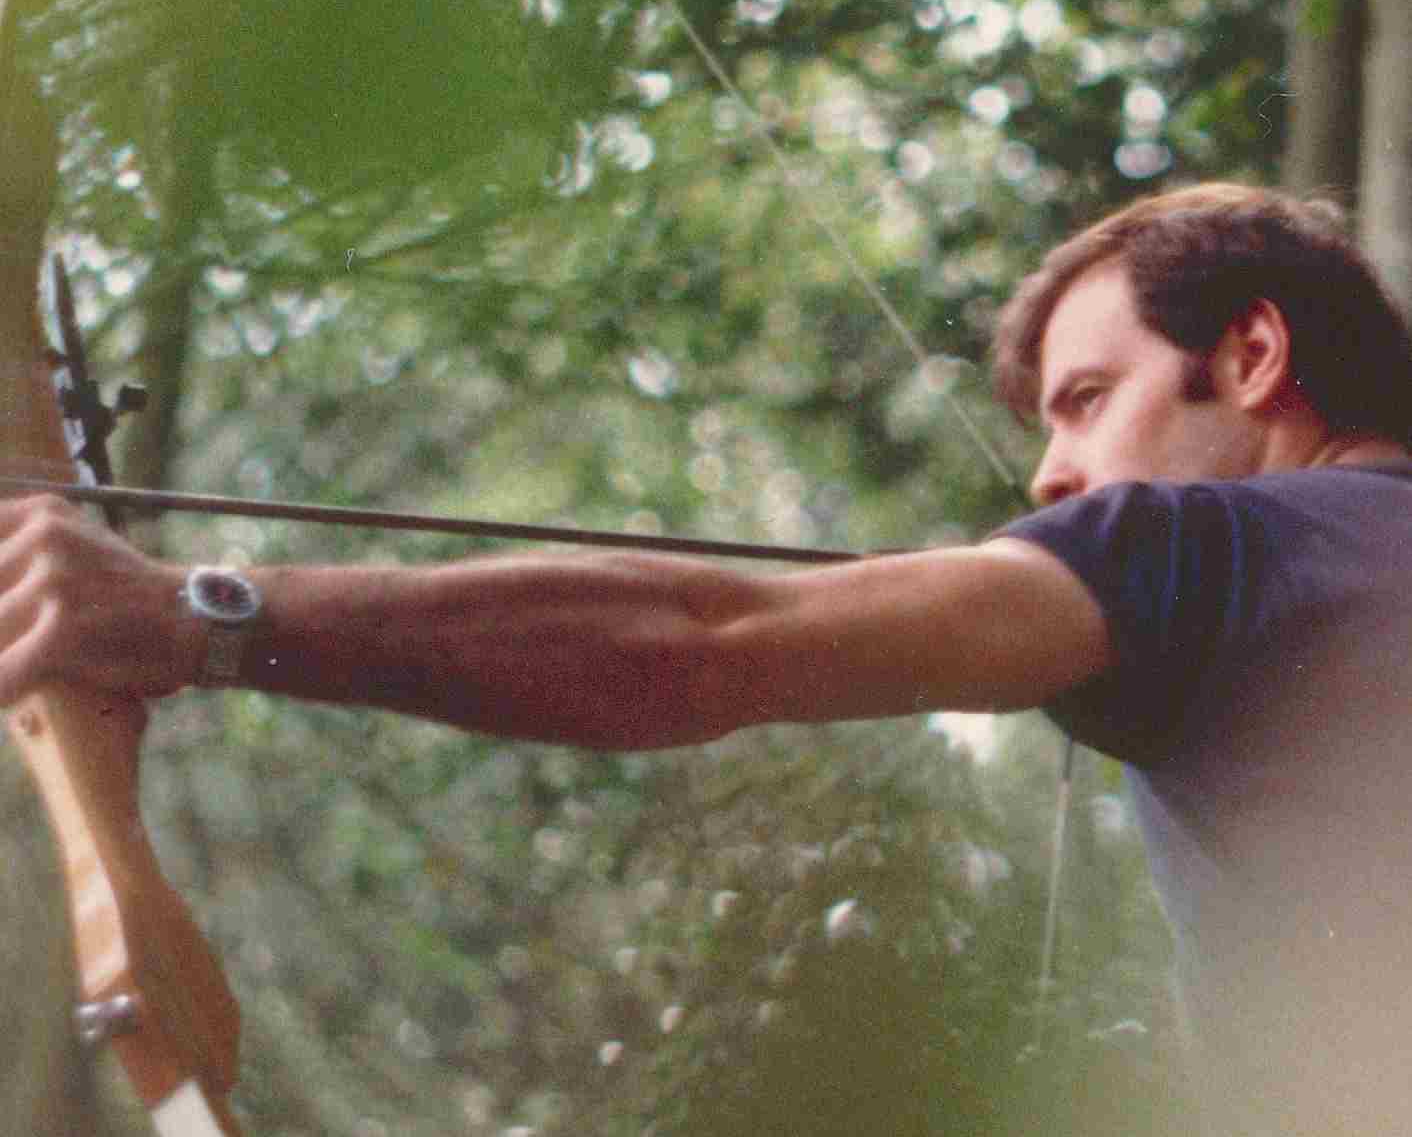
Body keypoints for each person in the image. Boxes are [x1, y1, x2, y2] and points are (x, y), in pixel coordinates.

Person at [4, 181, 1412, 1133]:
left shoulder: (1217, 550)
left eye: (1088, 402)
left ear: (1252, 357)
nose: (1055, 478)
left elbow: (710, 649)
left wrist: (195, 618)